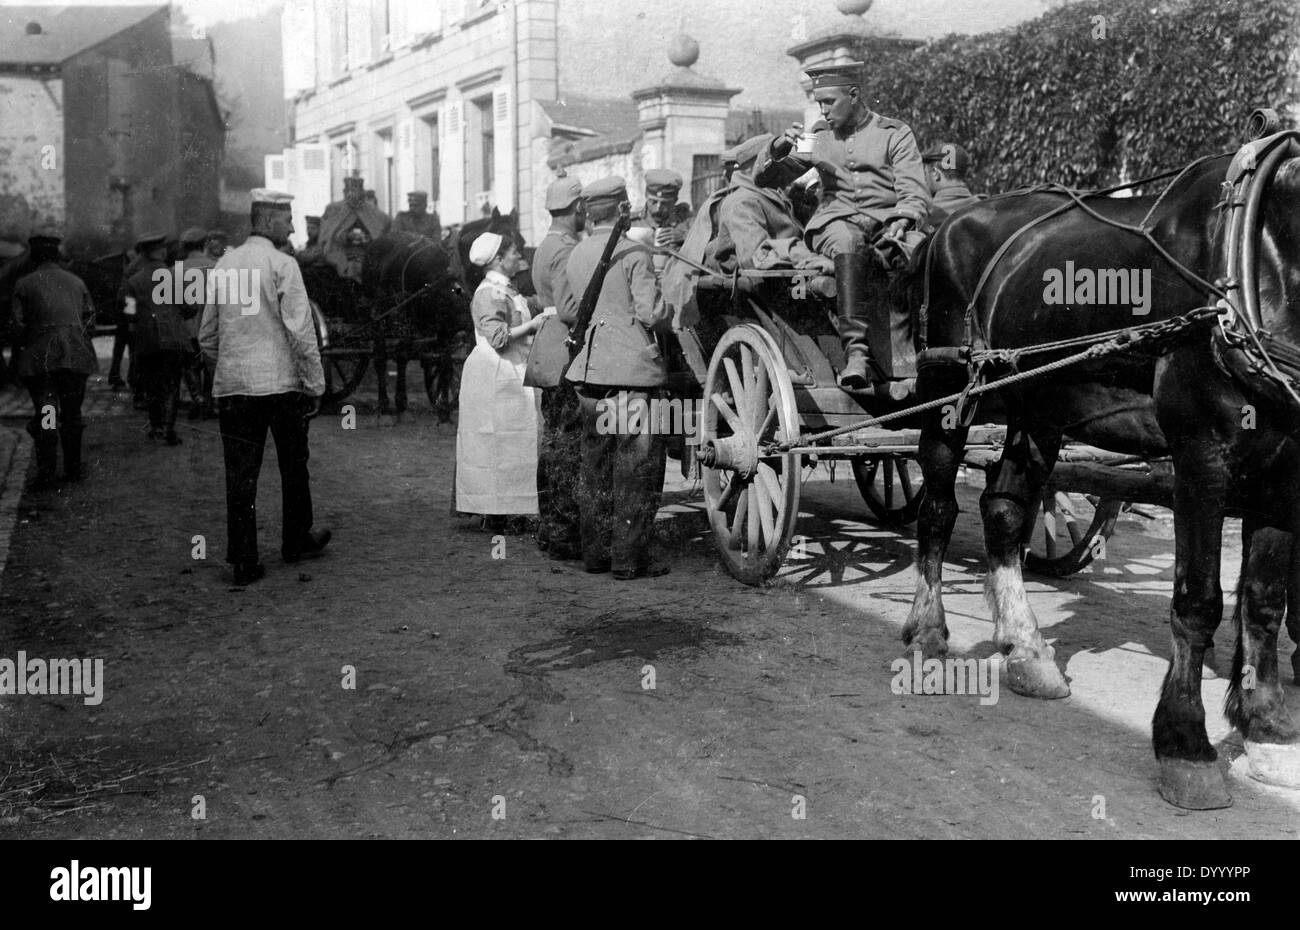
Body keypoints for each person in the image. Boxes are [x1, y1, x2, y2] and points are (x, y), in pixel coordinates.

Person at [755, 60, 930, 388]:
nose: (822, 110)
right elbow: (767, 178)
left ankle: (927, 355)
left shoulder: (894, 132)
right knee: (849, 241)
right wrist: (779, 148)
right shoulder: (818, 137)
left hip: (885, 222)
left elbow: (911, 187)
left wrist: (904, 217)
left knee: (926, 250)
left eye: (828, 101)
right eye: (819, 102)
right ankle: (857, 354)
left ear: (854, 94)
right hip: (833, 222)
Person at [198, 189, 331, 587]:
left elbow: (206, 336)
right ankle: (296, 541)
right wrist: (315, 383)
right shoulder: (283, 264)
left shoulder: (224, 265)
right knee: (294, 464)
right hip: (281, 385)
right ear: (269, 220)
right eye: (287, 218)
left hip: (234, 388)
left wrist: (231, 366)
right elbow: (301, 330)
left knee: (240, 474)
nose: (292, 226)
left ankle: (243, 559)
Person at [565, 176, 674, 579]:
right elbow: (651, 313)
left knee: (595, 466)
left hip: (591, 370)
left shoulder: (578, 253)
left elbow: (574, 308)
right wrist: (670, 310)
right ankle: (629, 560)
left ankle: (595, 556)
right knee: (635, 468)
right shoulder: (634, 253)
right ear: (622, 208)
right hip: (631, 371)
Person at [455, 231, 546, 530]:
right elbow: (497, 337)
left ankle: (509, 508)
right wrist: (532, 326)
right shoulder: (489, 292)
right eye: (515, 253)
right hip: (495, 371)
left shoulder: (505, 289)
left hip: (511, 370)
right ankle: (493, 512)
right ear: (498, 259)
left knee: (514, 441)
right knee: (495, 442)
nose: (520, 257)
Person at [10, 231, 98, 488]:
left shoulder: (24, 284)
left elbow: (16, 327)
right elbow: (90, 318)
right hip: (74, 357)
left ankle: (47, 471)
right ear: (58, 255)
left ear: (33, 256)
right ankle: (73, 469)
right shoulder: (76, 282)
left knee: (47, 413)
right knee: (72, 414)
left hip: (41, 361)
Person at [530, 175, 586, 561]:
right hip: (564, 350)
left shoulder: (544, 243)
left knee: (553, 443)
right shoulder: (565, 249)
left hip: (547, 346)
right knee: (565, 445)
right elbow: (569, 309)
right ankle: (563, 533)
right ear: (578, 208)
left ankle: (551, 529)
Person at [122, 232, 190, 445]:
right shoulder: (176, 277)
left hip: (146, 339)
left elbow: (128, 313)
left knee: (151, 383)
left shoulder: (133, 281)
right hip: (173, 337)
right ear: (161, 252)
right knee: (171, 384)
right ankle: (169, 429)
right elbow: (189, 308)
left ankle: (155, 426)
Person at [711, 133, 805, 272]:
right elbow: (756, 257)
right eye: (776, 160)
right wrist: (805, 255)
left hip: (789, 275)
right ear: (755, 166)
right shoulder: (743, 202)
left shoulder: (771, 194)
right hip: (766, 286)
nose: (785, 166)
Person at [318, 176, 391, 280]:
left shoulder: (372, 211)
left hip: (367, 251)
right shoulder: (334, 209)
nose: (352, 194)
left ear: (362, 192)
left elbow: (383, 230)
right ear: (345, 192)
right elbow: (327, 237)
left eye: (356, 190)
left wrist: (367, 238)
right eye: (350, 190)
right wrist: (347, 236)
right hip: (340, 251)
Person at [177, 227, 216, 420]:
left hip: (187, 328)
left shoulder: (175, 270)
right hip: (212, 327)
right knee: (210, 364)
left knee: (190, 365)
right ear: (204, 244)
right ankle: (209, 402)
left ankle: (197, 399)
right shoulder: (216, 267)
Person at [922, 142, 981, 227]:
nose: (924, 178)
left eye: (925, 172)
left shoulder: (925, 215)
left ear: (935, 173)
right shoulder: (987, 207)